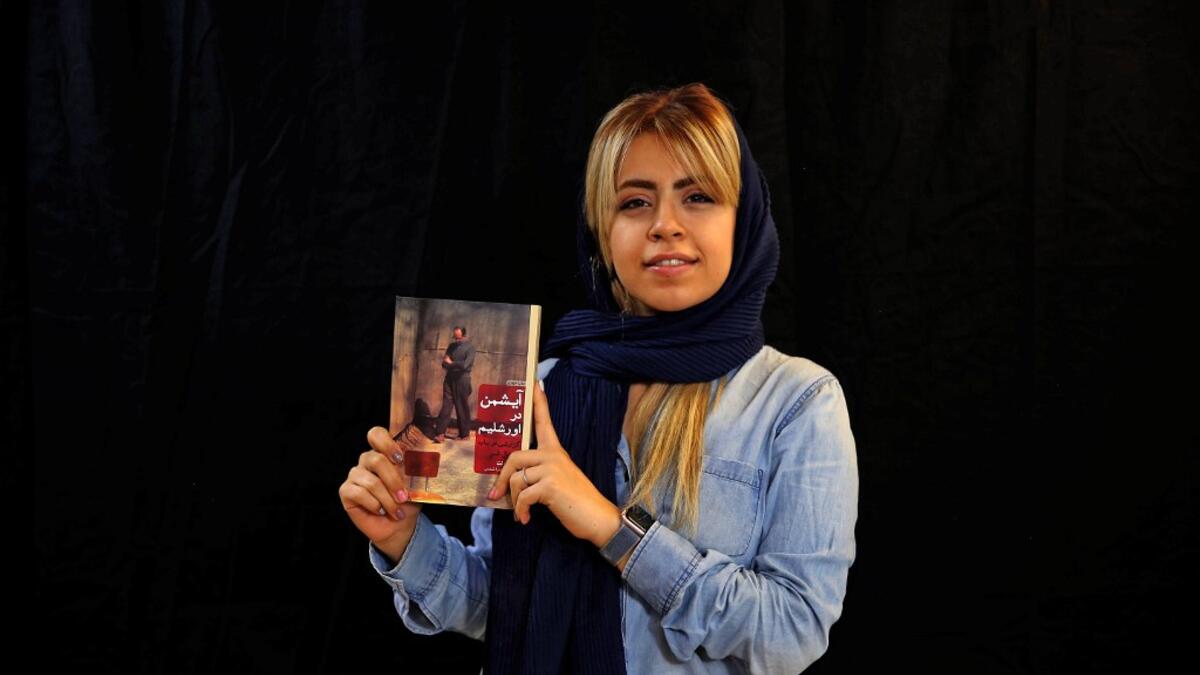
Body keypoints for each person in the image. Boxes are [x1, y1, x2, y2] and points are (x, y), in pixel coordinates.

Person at [338, 82, 859, 674]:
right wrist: (405, 539)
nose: (664, 224)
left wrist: (613, 528)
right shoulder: (538, 387)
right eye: (635, 202)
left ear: (743, 223)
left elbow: (792, 632)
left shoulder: (798, 402)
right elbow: (502, 610)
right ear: (602, 233)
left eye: (698, 196)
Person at [433, 325, 475, 442]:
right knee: (446, 406)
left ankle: (464, 434)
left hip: (463, 379)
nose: (456, 341)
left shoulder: (470, 348)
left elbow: (465, 365)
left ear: (464, 336)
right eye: (455, 338)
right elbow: (443, 364)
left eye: (459, 338)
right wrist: (453, 364)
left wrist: (451, 363)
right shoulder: (451, 347)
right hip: (449, 379)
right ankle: (440, 433)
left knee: (461, 406)